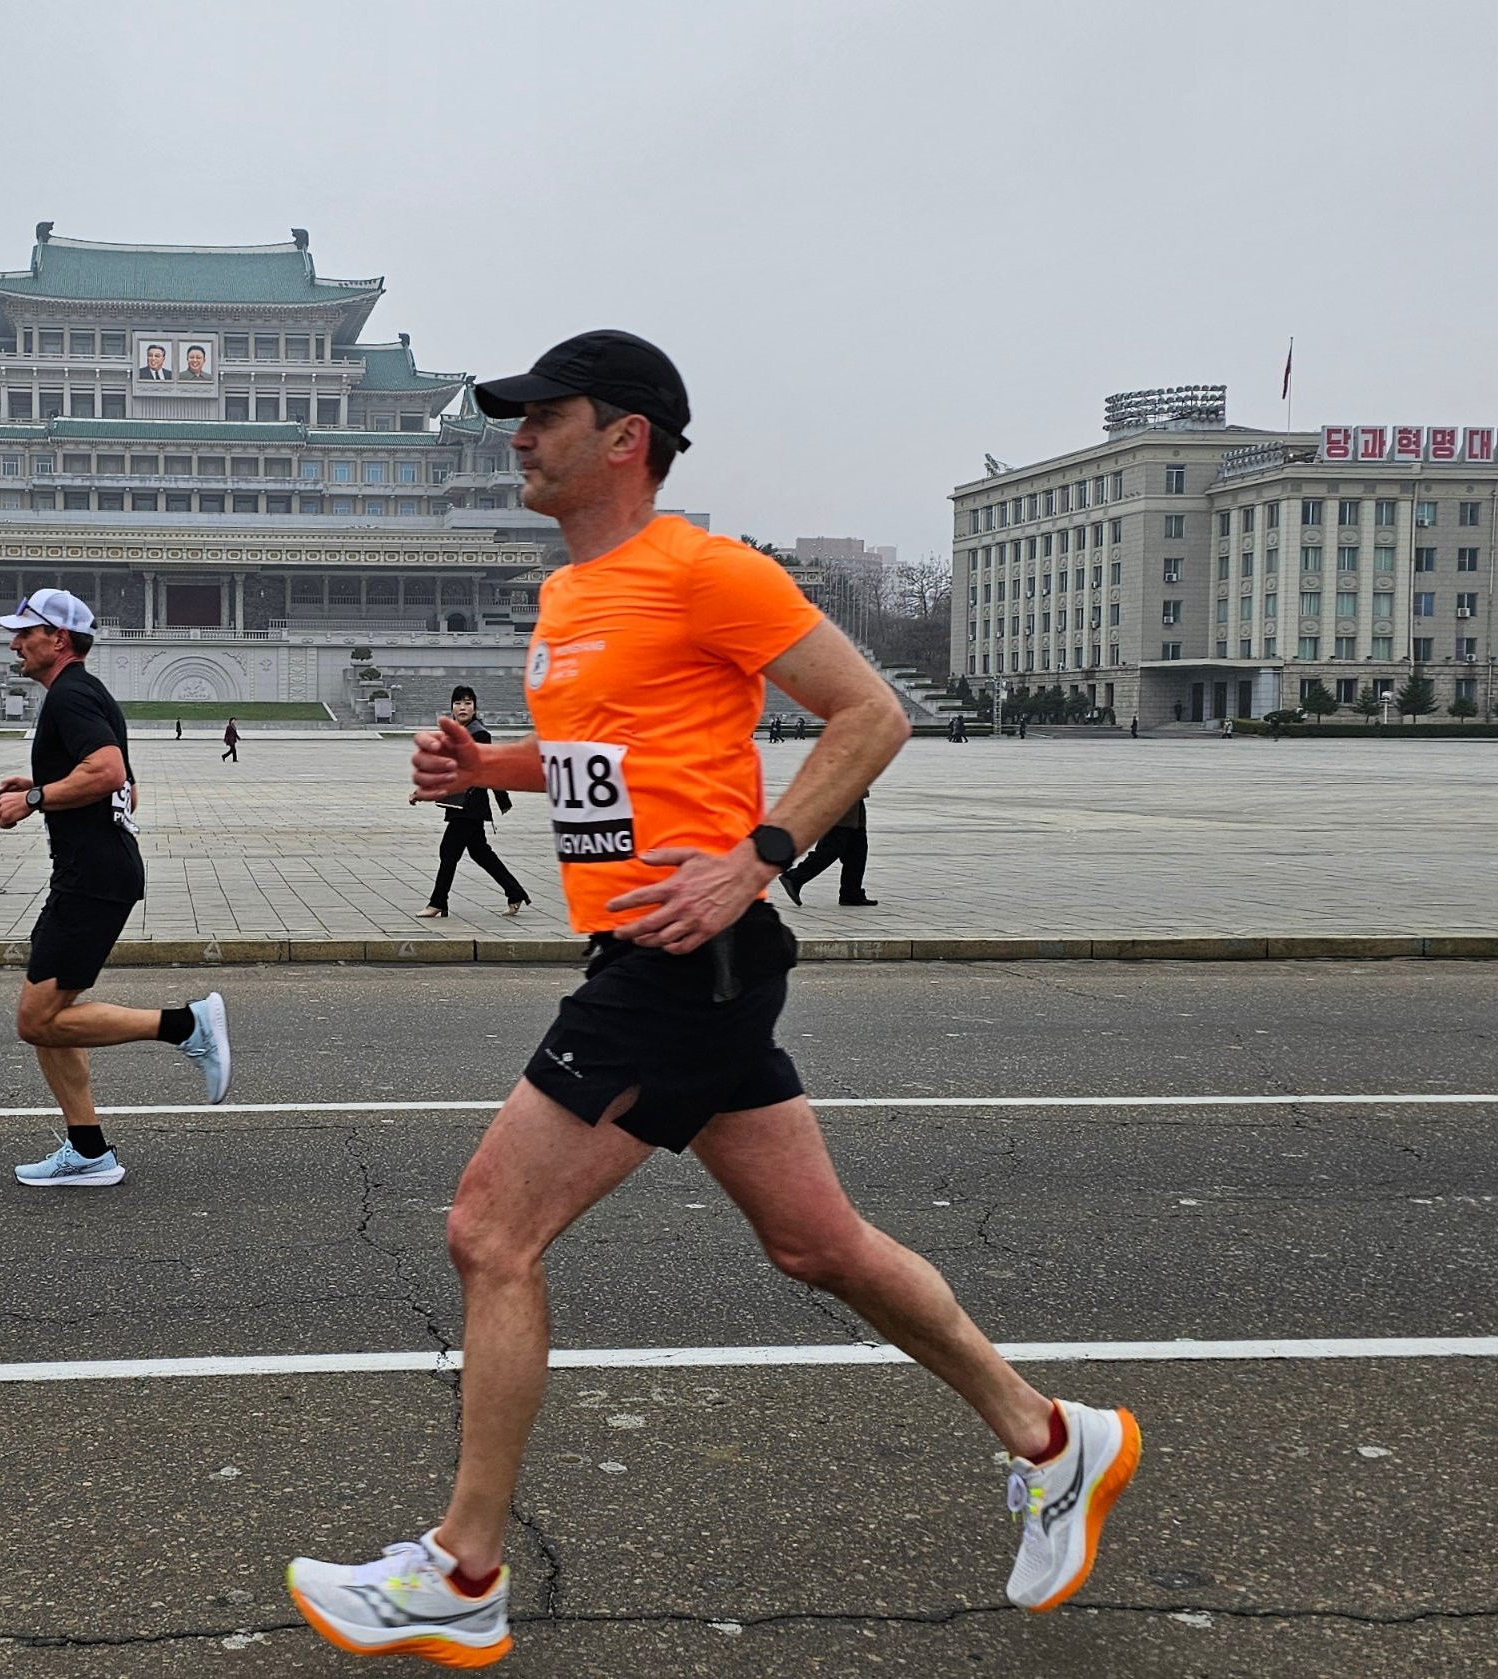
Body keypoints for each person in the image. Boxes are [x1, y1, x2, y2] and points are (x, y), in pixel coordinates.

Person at [286, 331, 1138, 1667]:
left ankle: (463, 1568)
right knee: (819, 1245)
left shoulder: (707, 569)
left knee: (488, 1230)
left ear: (625, 436)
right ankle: (1051, 1436)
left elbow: (870, 714)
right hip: (662, 956)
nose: (517, 436)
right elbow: (607, 757)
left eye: (544, 414)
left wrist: (760, 856)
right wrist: (487, 765)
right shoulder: (571, 592)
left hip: (684, 960)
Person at [0, 589, 230, 1186]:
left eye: (25, 632)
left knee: (36, 1022)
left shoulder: (70, 696)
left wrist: (34, 797)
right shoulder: (88, 693)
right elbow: (127, 792)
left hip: (91, 879)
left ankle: (186, 1026)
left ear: (58, 639)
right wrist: (47, 782)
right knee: (50, 1017)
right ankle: (89, 1150)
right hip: (96, 874)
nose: (15, 643)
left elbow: (108, 773)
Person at [415, 685, 529, 919]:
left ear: (475, 708)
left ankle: (438, 902)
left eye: (468, 703)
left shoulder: (479, 735)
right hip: (461, 802)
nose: (462, 707)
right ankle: (515, 893)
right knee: (480, 852)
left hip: (470, 804)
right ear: (451, 708)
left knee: (448, 851)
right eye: (458, 703)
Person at [779, 789, 877, 907]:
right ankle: (795, 877)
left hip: (853, 800)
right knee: (832, 848)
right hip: (840, 800)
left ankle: (851, 893)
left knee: (857, 850)